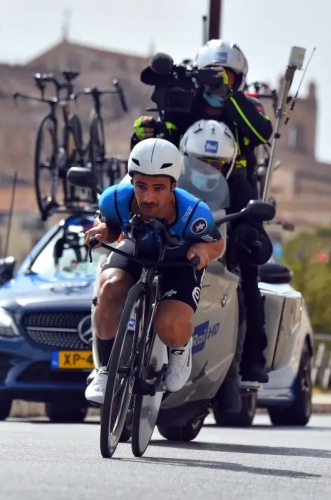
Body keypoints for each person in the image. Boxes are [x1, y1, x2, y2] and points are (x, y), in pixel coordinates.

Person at [83, 138, 225, 406]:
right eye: (141, 186)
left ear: (174, 185)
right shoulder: (114, 198)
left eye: (158, 188)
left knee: (168, 325)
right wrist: (102, 233)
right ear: (132, 181)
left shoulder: (194, 212)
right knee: (109, 289)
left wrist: (203, 253)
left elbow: (216, 243)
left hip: (179, 260)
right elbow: (110, 227)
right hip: (136, 251)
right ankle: (104, 369)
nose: (148, 197)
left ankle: (181, 347)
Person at [179, 119, 273, 413]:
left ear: (230, 164)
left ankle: (230, 375)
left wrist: (251, 235)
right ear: (184, 158)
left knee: (241, 300)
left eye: (216, 164)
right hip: (172, 258)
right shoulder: (169, 179)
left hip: (220, 266)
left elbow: (263, 242)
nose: (208, 170)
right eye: (200, 163)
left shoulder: (241, 188)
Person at [132, 39, 273, 192]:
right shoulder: (184, 105)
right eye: (211, 76)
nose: (217, 82)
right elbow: (162, 150)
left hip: (236, 198)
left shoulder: (248, 106)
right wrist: (145, 136)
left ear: (238, 80)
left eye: (226, 77)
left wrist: (228, 96)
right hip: (184, 191)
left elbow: (263, 133)